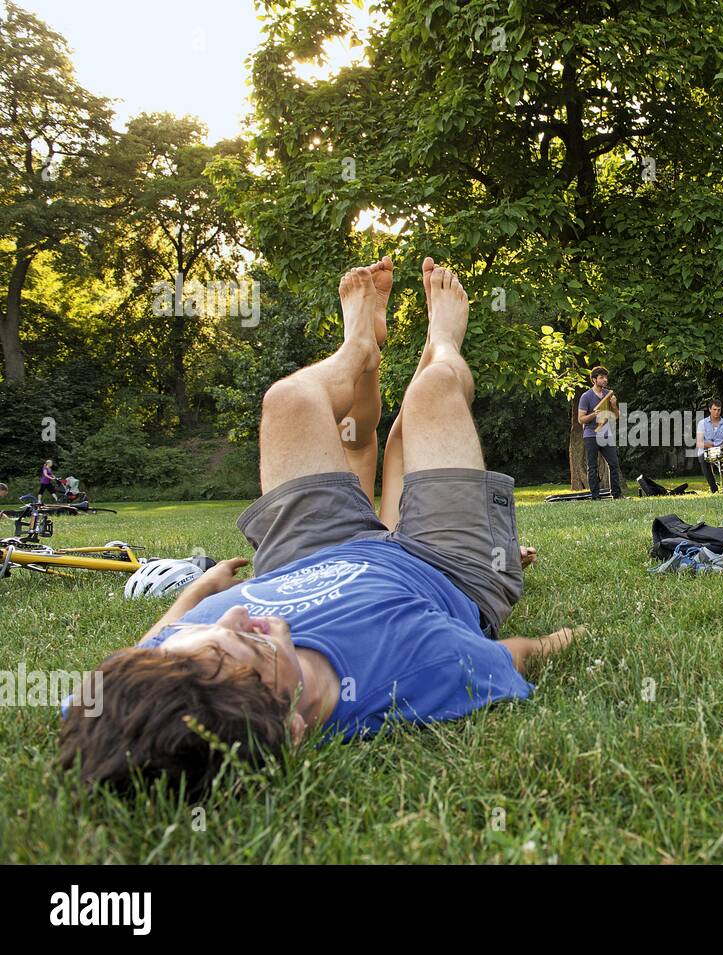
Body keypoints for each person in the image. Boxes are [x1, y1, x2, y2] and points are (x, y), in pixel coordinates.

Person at [59, 258, 577, 798]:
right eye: (249, 642)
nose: (238, 614)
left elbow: (140, 656)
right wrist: (568, 638)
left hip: (305, 557)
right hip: (444, 567)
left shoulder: (124, 708)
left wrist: (191, 600)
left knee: (288, 401)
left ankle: (358, 348)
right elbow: (518, 652)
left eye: (199, 641)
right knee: (432, 395)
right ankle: (443, 341)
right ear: (293, 727)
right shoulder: (413, 671)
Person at [576, 365, 623, 500]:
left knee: (614, 464)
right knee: (592, 467)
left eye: (606, 377)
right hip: (591, 435)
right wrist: (593, 415)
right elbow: (581, 419)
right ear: (594, 380)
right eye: (601, 377)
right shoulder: (586, 396)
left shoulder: (609, 394)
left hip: (606, 435)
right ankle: (595, 497)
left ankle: (617, 495)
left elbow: (617, 416)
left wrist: (614, 406)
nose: (605, 380)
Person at [695, 399, 723, 492]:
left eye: (719, 410)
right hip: (706, 451)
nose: (717, 412)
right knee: (703, 460)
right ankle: (713, 488)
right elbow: (699, 443)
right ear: (709, 409)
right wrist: (709, 445)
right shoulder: (702, 423)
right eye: (714, 409)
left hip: (721, 451)